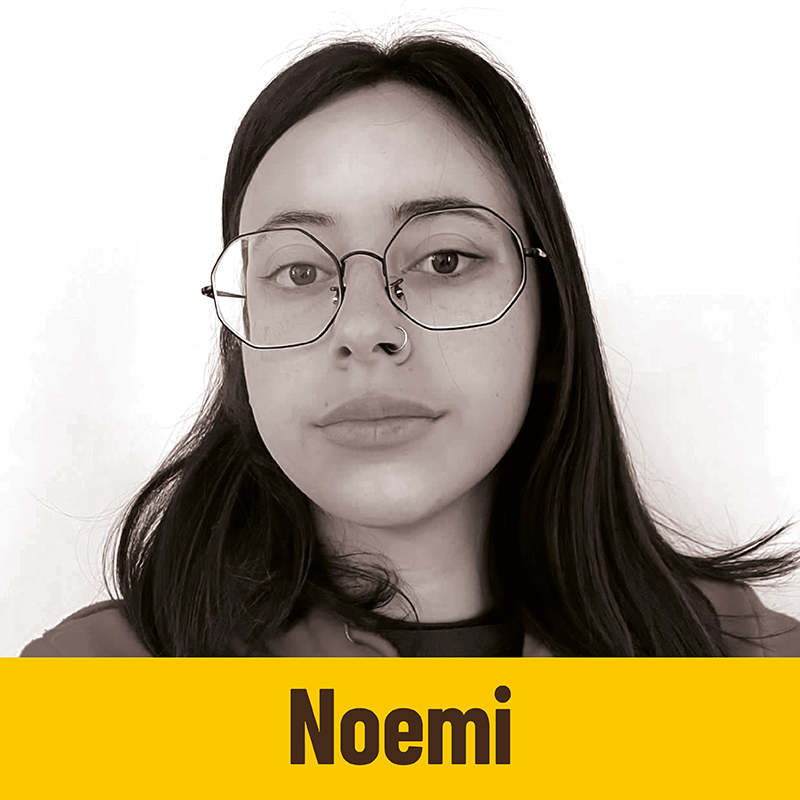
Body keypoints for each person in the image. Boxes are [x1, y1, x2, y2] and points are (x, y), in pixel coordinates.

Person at [21, 34, 800, 658]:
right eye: (299, 271)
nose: (365, 330)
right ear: (242, 345)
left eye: (445, 261)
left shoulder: (760, 680)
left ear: (550, 319)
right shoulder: (88, 692)